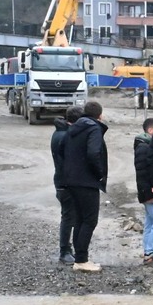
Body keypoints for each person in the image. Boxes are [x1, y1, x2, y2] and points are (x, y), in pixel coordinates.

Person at [57, 100, 108, 272]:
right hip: (86, 182)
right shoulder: (94, 128)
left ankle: (80, 258)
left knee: (79, 219)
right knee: (90, 220)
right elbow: (94, 153)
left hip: (70, 180)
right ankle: (82, 260)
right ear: (100, 115)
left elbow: (61, 149)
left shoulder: (73, 128)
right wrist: (99, 173)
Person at [134, 115, 153, 262]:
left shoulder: (143, 146)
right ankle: (150, 252)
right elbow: (145, 173)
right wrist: (151, 190)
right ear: (150, 130)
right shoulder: (146, 148)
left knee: (150, 222)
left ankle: (148, 250)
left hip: (147, 192)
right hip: (151, 192)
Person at [50, 111, 78, 264]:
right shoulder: (64, 137)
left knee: (69, 217)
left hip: (63, 181)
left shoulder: (60, 133)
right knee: (68, 218)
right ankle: (65, 251)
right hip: (65, 183)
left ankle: (67, 249)